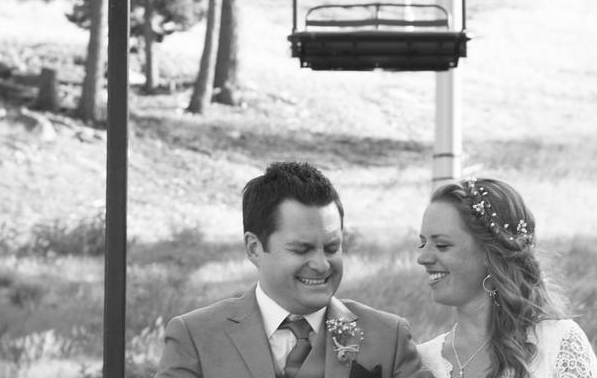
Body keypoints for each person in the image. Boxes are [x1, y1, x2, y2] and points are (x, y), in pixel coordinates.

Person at [156, 161, 429, 378]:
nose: (322, 264)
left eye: (333, 247)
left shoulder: (388, 337)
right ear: (254, 248)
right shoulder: (195, 336)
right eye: (302, 249)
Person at [415, 178, 597, 378]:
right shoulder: (422, 361)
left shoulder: (558, 344)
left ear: (489, 252)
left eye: (442, 245)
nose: (423, 258)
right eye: (422, 244)